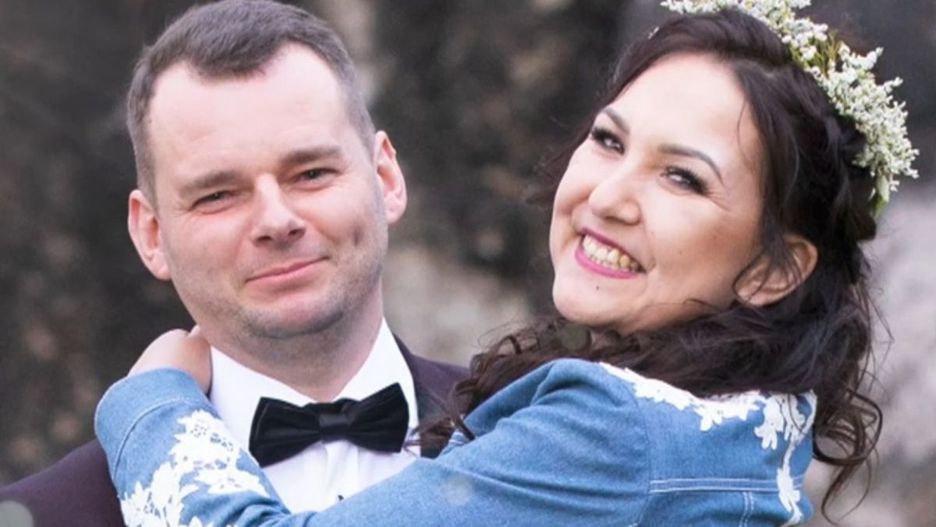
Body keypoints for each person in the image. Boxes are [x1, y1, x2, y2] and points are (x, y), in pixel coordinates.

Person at [94, 0, 918, 525]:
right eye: (609, 141)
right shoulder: (748, 435)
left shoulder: (621, 430)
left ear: (775, 270)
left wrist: (150, 400)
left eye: (683, 178)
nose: (609, 196)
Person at [0, 1, 464, 525]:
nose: (276, 220)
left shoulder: (524, 434)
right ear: (151, 234)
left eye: (311, 173)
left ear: (386, 179)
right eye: (218, 195)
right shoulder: (42, 515)